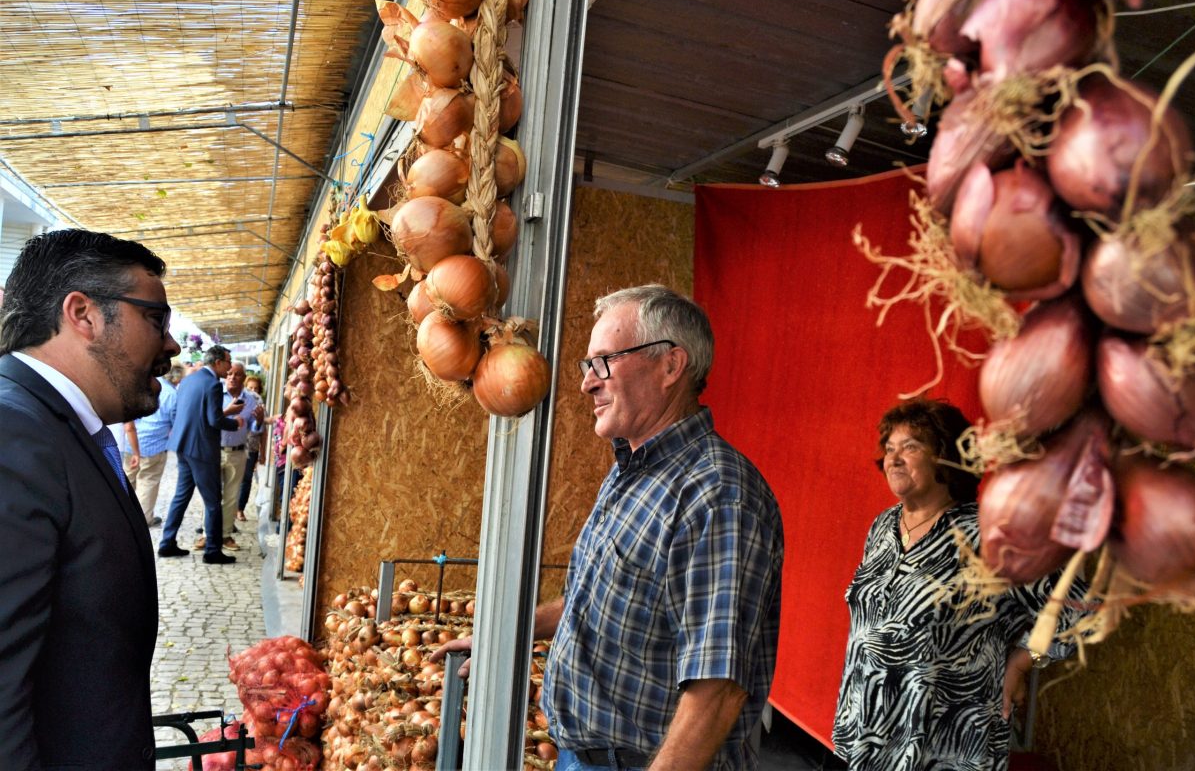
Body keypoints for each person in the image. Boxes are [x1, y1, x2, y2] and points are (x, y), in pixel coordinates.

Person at [434, 285, 785, 770]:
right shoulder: (633, 468)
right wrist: (511, 632)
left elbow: (717, 690)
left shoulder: (718, 496)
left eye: (604, 362)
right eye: (588, 366)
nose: (586, 384)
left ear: (670, 366)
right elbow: (605, 597)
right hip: (582, 756)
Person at [0, 228, 180, 768]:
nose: (171, 344)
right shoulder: (13, 432)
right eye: (156, 318)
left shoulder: (63, 427)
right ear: (83, 314)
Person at [833, 399, 1083, 771]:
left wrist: (1021, 662)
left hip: (945, 747)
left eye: (911, 447)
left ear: (945, 458)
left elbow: (1077, 606)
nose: (893, 459)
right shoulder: (883, 527)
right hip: (867, 739)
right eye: (889, 449)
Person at [158, 344, 245, 564]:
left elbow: (186, 412)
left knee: (181, 495)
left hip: (183, 444)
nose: (229, 366)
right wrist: (234, 422)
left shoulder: (189, 379)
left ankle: (167, 543)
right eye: (227, 361)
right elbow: (214, 419)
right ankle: (213, 551)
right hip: (201, 448)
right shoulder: (213, 384)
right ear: (217, 363)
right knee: (213, 500)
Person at [209, 361, 262, 550]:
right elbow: (209, 420)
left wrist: (260, 421)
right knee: (212, 496)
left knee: (231, 497)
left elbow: (255, 428)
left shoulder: (251, 400)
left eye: (237, 374)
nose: (232, 377)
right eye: (229, 373)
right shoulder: (215, 393)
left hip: (238, 452)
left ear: (244, 378)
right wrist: (227, 412)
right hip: (214, 451)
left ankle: (225, 536)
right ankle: (208, 535)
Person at [125, 362, 185, 526]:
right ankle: (144, 520)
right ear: (177, 377)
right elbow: (176, 421)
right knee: (148, 482)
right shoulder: (172, 395)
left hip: (132, 441)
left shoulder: (145, 385)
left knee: (127, 481)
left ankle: (122, 517)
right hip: (155, 445)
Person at [236, 373, 266, 521]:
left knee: (246, 479)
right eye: (250, 387)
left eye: (256, 388)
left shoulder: (259, 403)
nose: (253, 390)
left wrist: (263, 452)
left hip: (251, 447)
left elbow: (262, 431)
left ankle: (240, 509)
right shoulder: (238, 400)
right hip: (235, 444)